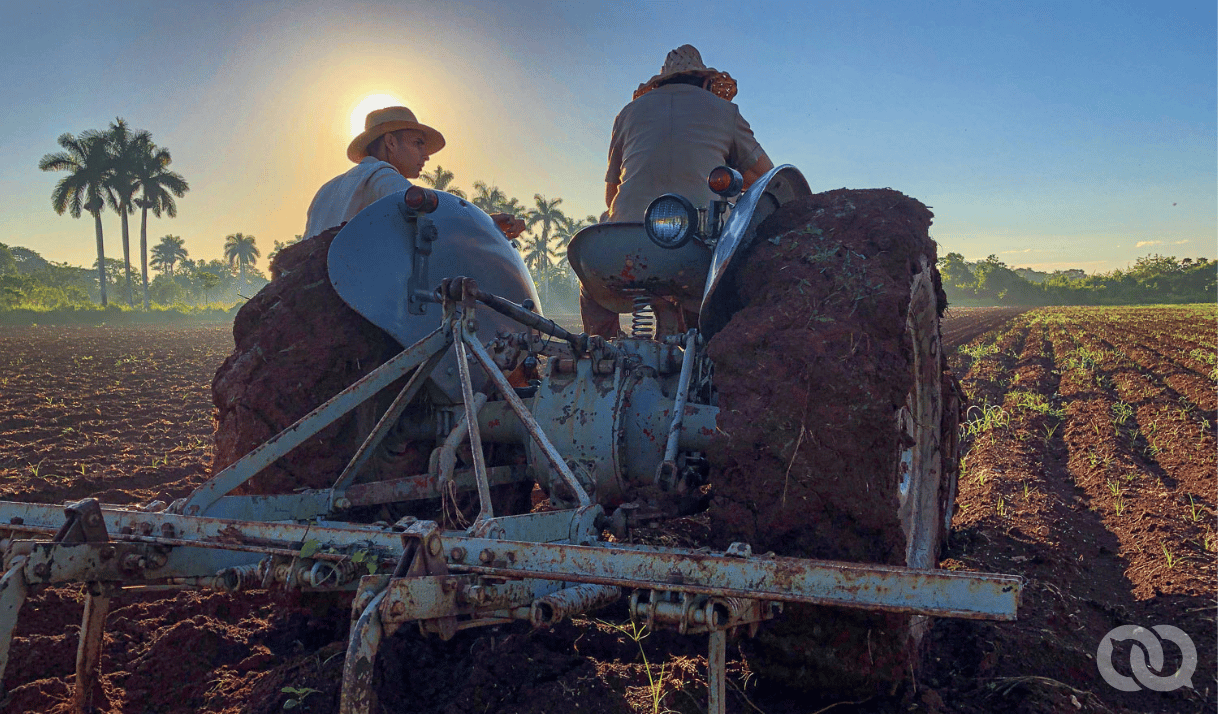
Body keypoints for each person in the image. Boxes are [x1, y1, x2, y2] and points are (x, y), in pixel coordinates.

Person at [582, 45, 775, 336]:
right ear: (707, 82)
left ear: (658, 84)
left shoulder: (627, 114)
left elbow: (610, 198)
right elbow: (766, 180)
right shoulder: (726, 112)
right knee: (711, 306)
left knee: (591, 290)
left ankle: (600, 349)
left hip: (625, 246)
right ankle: (709, 348)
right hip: (697, 247)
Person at [303, 105, 525, 240]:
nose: (425, 155)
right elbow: (431, 219)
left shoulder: (325, 190)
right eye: (418, 143)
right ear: (390, 142)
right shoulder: (382, 175)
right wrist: (487, 224)